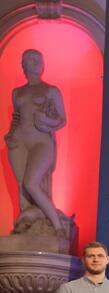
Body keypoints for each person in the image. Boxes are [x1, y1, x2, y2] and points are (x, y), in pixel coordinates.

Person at [3, 49, 70, 238]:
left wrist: (47, 122)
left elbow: (62, 120)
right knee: (22, 185)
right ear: (23, 65)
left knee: (31, 182)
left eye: (37, 59)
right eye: (29, 59)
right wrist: (10, 134)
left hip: (41, 142)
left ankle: (57, 227)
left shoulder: (50, 90)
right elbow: (17, 117)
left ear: (43, 65)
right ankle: (26, 223)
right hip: (19, 143)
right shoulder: (17, 92)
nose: (33, 62)